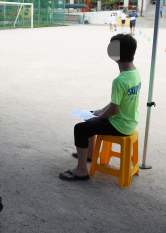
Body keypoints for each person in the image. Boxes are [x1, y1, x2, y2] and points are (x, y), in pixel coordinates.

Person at [60, 33, 141, 180]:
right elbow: (116, 104)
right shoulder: (135, 73)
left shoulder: (119, 80)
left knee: (80, 128)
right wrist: (98, 112)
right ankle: (90, 154)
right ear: (133, 52)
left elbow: (113, 110)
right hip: (129, 121)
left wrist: (98, 117)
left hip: (119, 125)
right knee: (91, 116)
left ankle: (82, 169)